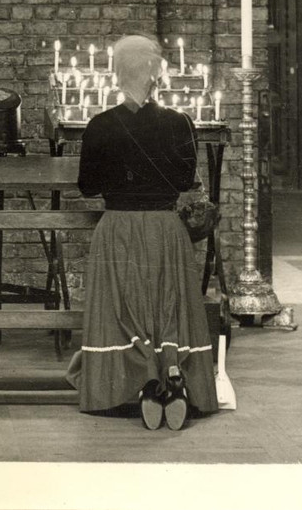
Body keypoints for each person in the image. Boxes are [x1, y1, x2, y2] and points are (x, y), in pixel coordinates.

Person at [66, 34, 219, 430]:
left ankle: (142, 383)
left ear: (117, 74)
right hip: (165, 230)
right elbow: (187, 179)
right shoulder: (179, 123)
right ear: (155, 73)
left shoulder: (99, 126)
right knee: (167, 305)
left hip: (117, 228)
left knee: (122, 311)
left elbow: (87, 186)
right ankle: (175, 375)